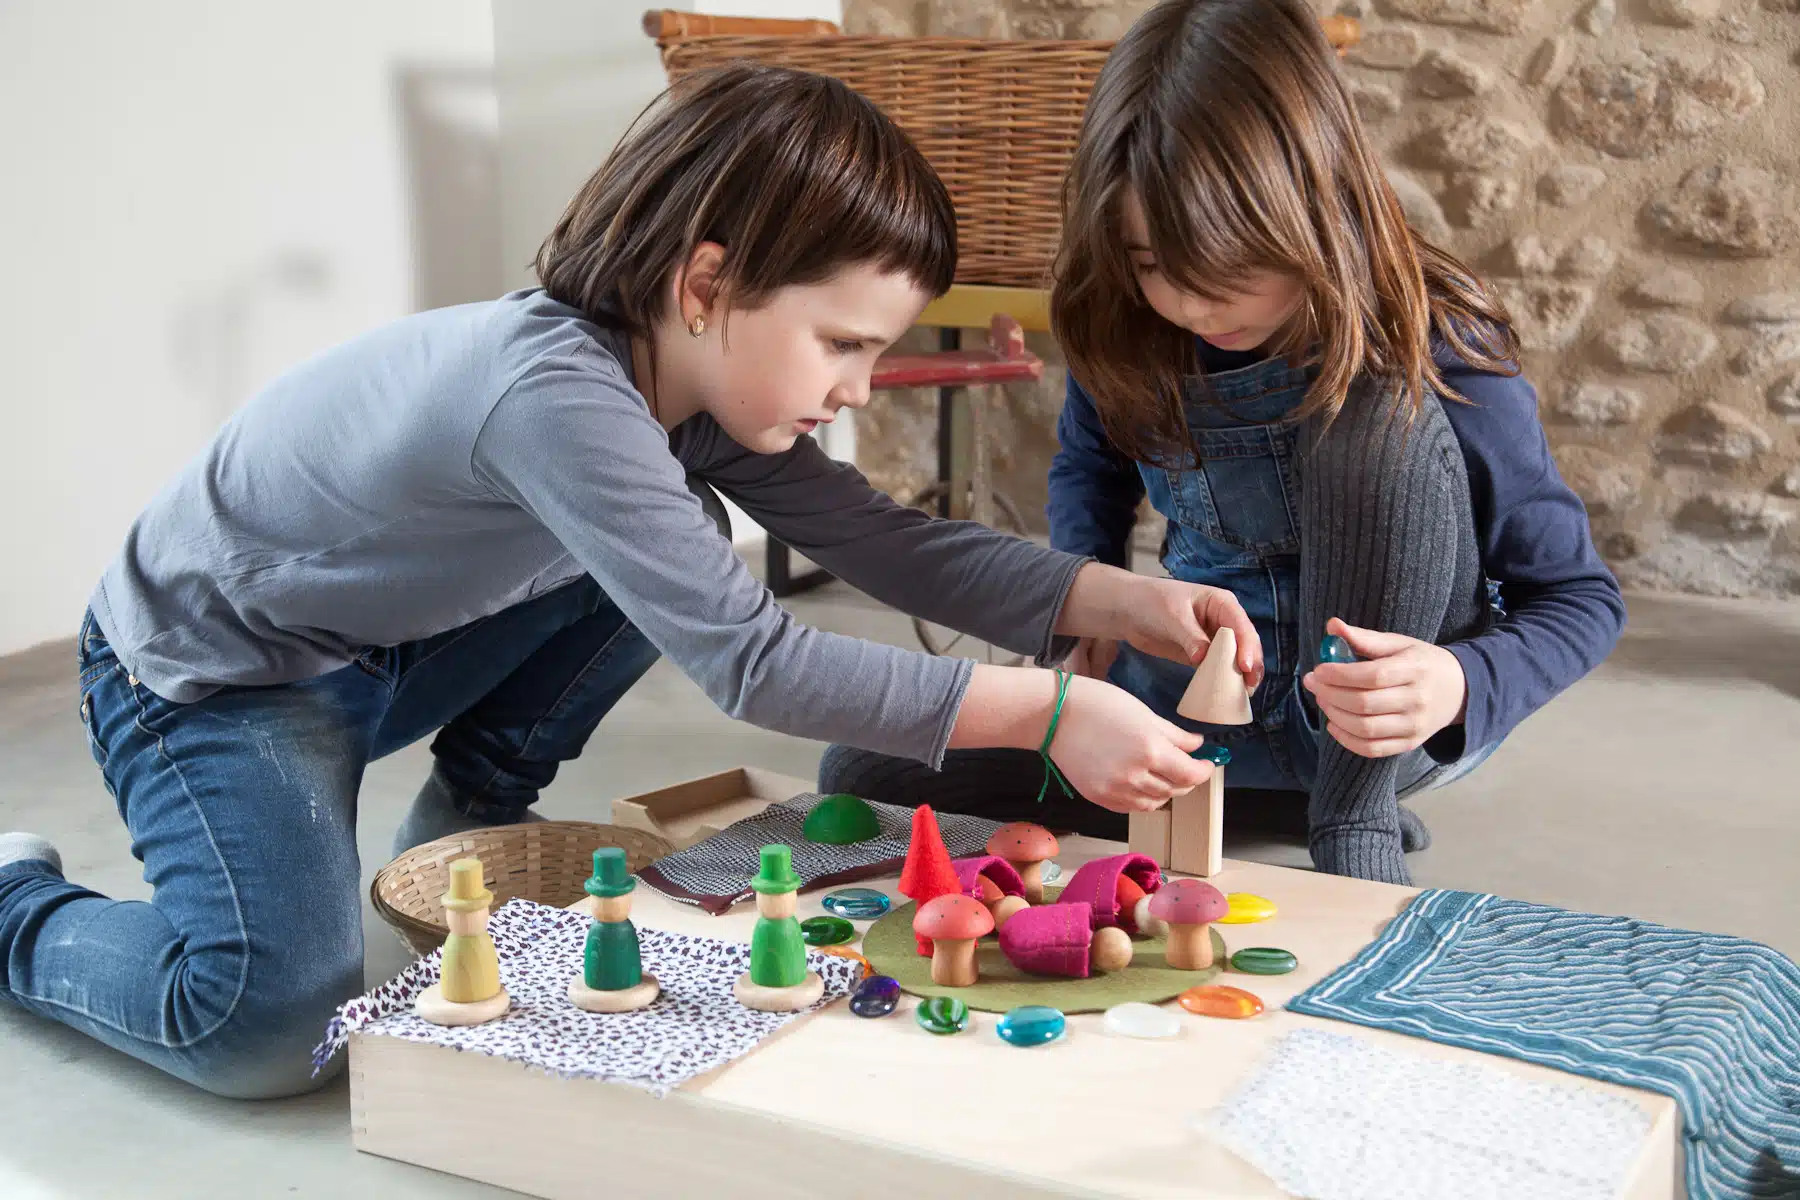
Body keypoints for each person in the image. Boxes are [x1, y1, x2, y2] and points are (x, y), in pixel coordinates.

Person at [0, 63, 1262, 1098]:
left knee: (669, 544)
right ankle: (18, 906)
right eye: (842, 345)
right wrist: (1048, 712)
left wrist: (1113, 600)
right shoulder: (554, 392)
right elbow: (751, 660)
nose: (857, 390)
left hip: (397, 639)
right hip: (216, 677)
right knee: (270, 1023)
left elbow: (886, 542)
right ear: (706, 284)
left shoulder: (687, 388)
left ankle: (466, 835)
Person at [820, 0, 1625, 885]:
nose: (1196, 307)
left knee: (1371, 428)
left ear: (1316, 202)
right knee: (860, 774)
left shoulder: (1444, 347)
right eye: (1156, 266)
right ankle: (1249, 795)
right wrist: (1084, 607)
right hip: (1189, 716)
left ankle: (1351, 821)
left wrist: (1460, 682)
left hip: (1377, 734)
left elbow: (1580, 599)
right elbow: (1090, 469)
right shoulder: (1125, 320)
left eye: (1233, 266)